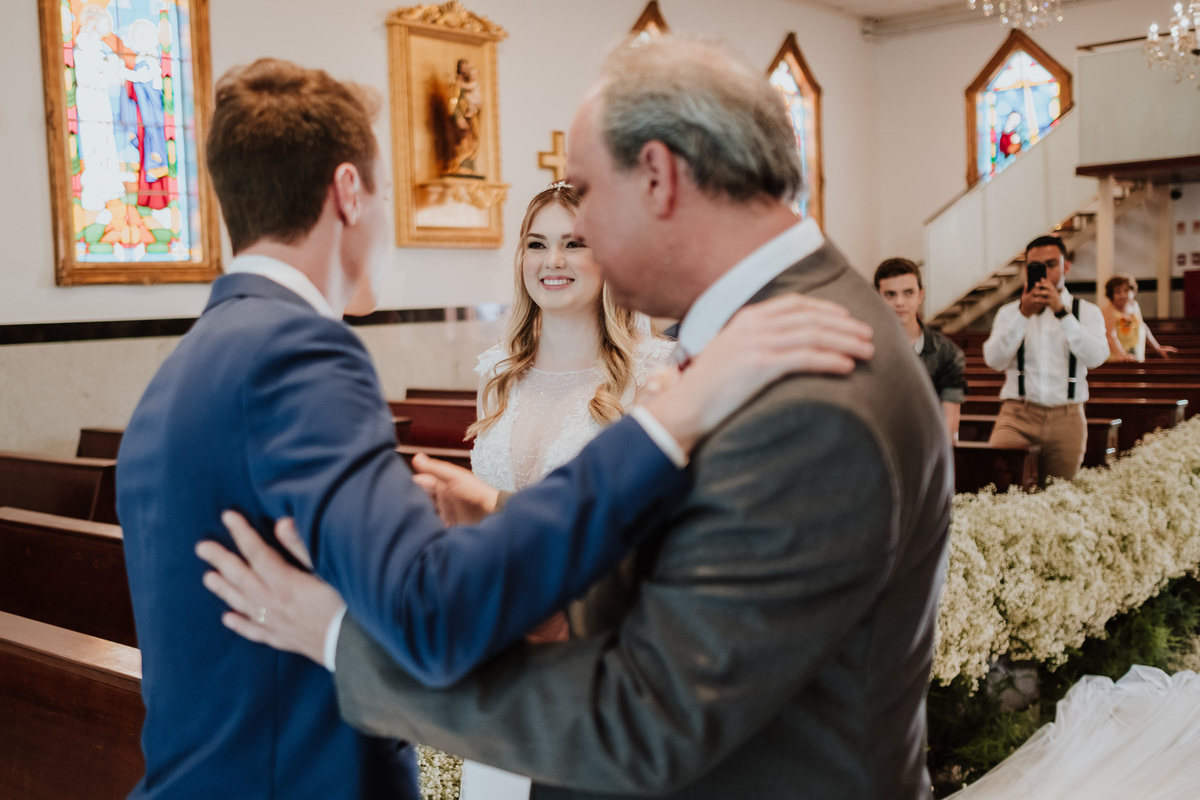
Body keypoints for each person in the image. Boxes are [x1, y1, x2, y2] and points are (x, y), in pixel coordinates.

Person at [201, 37, 952, 799]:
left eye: (586, 193)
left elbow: (645, 721)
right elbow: (684, 578)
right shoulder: (763, 331)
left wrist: (340, 642)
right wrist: (526, 583)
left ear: (657, 177)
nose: (574, 231)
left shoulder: (810, 388)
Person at [983, 235, 1108, 482]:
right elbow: (994, 360)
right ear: (1025, 270)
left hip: (1067, 416)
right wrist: (1023, 316)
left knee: (1058, 498)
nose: (1045, 272)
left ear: (1066, 267)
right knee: (1001, 488)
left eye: (1051, 264)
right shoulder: (1009, 313)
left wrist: (1062, 313)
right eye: (1036, 266)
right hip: (1017, 415)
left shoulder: (1087, 312)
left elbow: (1095, 357)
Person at [874, 257, 967, 439]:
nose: (900, 302)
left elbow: (951, 420)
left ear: (920, 295)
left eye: (908, 293)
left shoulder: (947, 352)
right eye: (890, 294)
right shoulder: (865, 348)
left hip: (929, 444)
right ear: (877, 297)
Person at [1102, 273, 1177, 363]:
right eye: (1118, 292)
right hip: (1117, 359)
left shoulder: (1134, 305)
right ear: (1111, 294)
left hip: (1135, 356)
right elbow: (1110, 336)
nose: (1123, 295)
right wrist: (1123, 355)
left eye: (1126, 291)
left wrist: (1157, 347)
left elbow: (1142, 327)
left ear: (1133, 292)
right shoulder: (1108, 310)